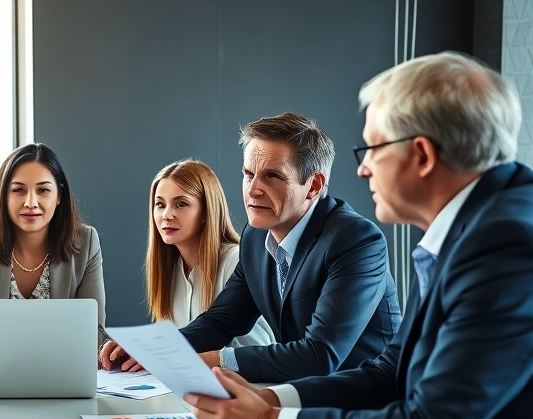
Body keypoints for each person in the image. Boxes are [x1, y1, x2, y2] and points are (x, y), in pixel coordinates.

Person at [184, 52, 533, 419]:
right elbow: (390, 373)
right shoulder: (472, 227)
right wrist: (268, 399)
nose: (363, 166)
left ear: (421, 155)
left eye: (371, 148)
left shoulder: (505, 244)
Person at [102, 113, 401, 382]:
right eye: (248, 174)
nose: (252, 189)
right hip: (301, 395)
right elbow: (221, 321)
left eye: (272, 176)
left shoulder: (356, 240)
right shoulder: (256, 237)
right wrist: (153, 349)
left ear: (313, 186)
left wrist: (213, 361)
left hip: (368, 404)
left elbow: (320, 355)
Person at [0, 143, 105, 355]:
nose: (30, 203)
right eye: (18, 190)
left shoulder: (85, 243)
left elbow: (95, 331)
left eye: (43, 190)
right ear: (4, 196)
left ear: (59, 196)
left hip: (58, 374)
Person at [144, 159, 274, 348]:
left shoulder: (237, 261)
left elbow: (261, 348)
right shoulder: (168, 271)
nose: (166, 215)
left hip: (247, 378)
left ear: (206, 211)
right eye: (160, 205)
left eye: (181, 204)